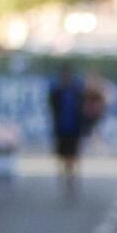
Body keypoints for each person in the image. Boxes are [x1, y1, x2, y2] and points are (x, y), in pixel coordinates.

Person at [48, 63, 87, 201]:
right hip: (61, 127)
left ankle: (70, 177)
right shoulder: (56, 91)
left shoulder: (76, 91)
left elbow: (83, 107)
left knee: (72, 154)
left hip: (74, 128)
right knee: (61, 155)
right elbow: (52, 109)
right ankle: (64, 175)